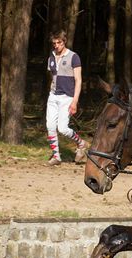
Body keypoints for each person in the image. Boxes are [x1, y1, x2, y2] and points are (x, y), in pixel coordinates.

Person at [45, 29, 86, 166]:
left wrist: (75, 101)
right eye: (54, 43)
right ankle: (56, 157)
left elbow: (78, 80)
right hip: (53, 96)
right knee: (50, 125)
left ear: (64, 42)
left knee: (62, 128)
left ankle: (81, 144)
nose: (56, 45)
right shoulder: (51, 57)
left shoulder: (74, 57)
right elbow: (53, 77)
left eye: (59, 42)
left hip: (67, 97)